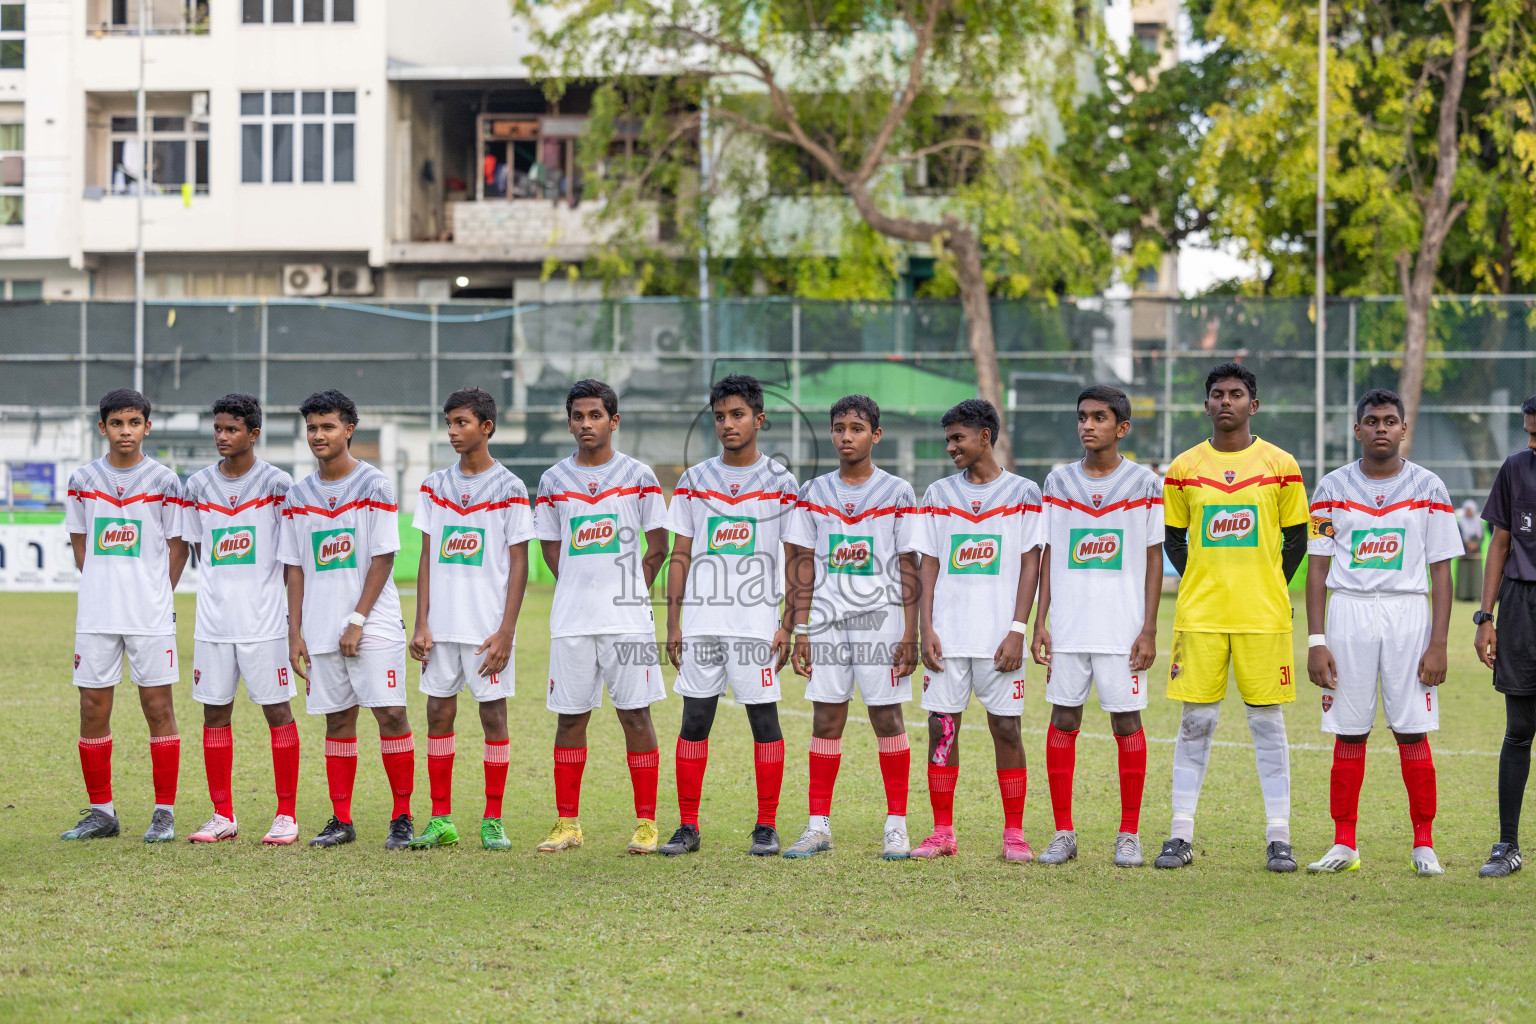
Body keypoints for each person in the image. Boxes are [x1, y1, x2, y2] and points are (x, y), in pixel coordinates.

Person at [1157, 362, 1309, 872]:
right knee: (1195, 723)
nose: (1227, 401)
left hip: (1262, 616)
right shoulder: (1182, 469)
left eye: (1237, 394)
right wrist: (1201, 576)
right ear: (1206, 405)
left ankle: (1279, 837)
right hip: (1200, 615)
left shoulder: (1281, 465)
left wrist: (1270, 583)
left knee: (1267, 722)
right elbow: (1175, 539)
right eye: (1218, 394)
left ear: (1253, 405)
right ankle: (1180, 834)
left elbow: (1298, 537)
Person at [1303, 389, 1460, 877]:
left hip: (1407, 615)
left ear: (1403, 429)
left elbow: (1442, 571)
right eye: (1371, 421)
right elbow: (1316, 568)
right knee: (1348, 731)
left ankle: (1424, 844)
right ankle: (1343, 842)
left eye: (1390, 421)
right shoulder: (1330, 488)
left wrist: (1438, 643)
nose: (1381, 429)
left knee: (1412, 728)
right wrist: (1315, 640)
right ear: (1357, 430)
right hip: (1348, 613)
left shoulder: (1429, 487)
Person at [660, 374, 798, 857]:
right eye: (720, 417)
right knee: (694, 719)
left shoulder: (781, 482)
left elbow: (796, 556)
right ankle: (688, 826)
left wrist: (788, 623)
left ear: (759, 419)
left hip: (757, 624)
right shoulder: (694, 480)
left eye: (737, 415)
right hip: (702, 623)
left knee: (765, 720)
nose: (728, 424)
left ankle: (766, 825)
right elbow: (680, 555)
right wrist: (673, 623)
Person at [533, 379, 670, 855]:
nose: (585, 424)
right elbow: (552, 548)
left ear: (613, 420)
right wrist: (577, 585)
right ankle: (567, 823)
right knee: (570, 720)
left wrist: (630, 592)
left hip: (627, 621)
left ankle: (646, 824)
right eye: (577, 416)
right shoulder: (553, 480)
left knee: (635, 716)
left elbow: (659, 546)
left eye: (595, 415)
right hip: (571, 621)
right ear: (569, 421)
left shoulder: (639, 476)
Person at [781, 395, 921, 860]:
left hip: (881, 622)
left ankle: (896, 825)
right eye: (839, 428)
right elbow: (800, 564)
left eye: (856, 428)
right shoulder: (813, 490)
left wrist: (910, 633)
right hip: (825, 622)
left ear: (875, 435)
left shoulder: (898, 491)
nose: (846, 436)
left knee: (887, 717)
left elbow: (908, 565)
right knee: (826, 718)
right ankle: (818, 826)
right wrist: (799, 630)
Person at [1031, 385, 1163, 868]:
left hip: (1121, 629)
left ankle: (1129, 833)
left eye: (1099, 418)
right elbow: (1045, 553)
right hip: (1068, 628)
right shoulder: (1057, 482)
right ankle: (1064, 832)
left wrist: (1148, 629)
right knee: (1063, 720)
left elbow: (1154, 559)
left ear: (1122, 428)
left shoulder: (1145, 484)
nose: (1088, 425)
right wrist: (1040, 621)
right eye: (1083, 416)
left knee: (1126, 721)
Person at [909, 399, 1044, 862]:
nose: (950, 447)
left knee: (1007, 729)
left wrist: (1017, 630)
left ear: (985, 436)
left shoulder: (1024, 493)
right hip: (948, 637)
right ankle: (942, 831)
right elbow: (929, 563)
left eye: (958, 438)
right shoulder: (938, 494)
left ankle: (1014, 834)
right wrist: (927, 627)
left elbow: (1032, 564)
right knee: (941, 729)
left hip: (998, 639)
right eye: (948, 438)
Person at [279, 389, 414, 850]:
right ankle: (341, 819)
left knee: (391, 713)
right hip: (318, 625)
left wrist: (358, 618)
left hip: (372, 620)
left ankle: (402, 817)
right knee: (337, 719)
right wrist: (294, 630)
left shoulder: (376, 484)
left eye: (328, 426)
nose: (318, 435)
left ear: (348, 429)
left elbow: (384, 555)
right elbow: (293, 566)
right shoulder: (297, 495)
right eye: (312, 428)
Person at [60, 389, 190, 842]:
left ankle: (164, 812)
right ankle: (101, 812)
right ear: (103, 428)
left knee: (158, 707)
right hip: (96, 614)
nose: (125, 431)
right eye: (117, 423)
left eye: (134, 423)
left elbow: (179, 546)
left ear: (147, 427)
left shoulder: (165, 481)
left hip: (149, 615)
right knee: (92, 707)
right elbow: (81, 546)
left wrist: (155, 592)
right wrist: (103, 582)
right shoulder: (82, 480)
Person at [408, 387, 534, 851]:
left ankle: (493, 818)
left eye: (462, 422)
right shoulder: (434, 486)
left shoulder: (510, 487)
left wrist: (506, 631)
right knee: (438, 713)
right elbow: (425, 557)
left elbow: (519, 562)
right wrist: (420, 621)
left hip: (487, 631)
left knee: (493, 718)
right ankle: (441, 818)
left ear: (487, 427)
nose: (453, 431)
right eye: (449, 422)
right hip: (440, 629)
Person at [182, 394, 299, 845]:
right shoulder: (197, 486)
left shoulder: (277, 484)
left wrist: (291, 620)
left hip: (264, 622)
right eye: (217, 429)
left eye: (231, 430)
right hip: (213, 622)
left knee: (277, 712)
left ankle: (286, 814)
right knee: (215, 713)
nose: (222, 437)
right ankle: (222, 815)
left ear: (253, 433)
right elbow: (196, 548)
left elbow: (291, 557)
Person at [1473, 393, 1536, 878]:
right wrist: (1485, 616)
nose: (1531, 442)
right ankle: (1507, 845)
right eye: (1528, 432)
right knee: (1519, 730)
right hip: (1521, 607)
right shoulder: (1516, 469)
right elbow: (1499, 542)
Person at [1457, 500, 1485, 602]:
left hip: (1476, 551)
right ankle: (1463, 595)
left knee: (1475, 573)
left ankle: (1476, 594)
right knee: (1464, 573)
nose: (1469, 512)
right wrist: (1467, 544)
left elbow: (1482, 536)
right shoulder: (1461, 523)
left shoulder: (1478, 523)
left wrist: (1475, 545)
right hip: (1464, 550)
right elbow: (1459, 535)